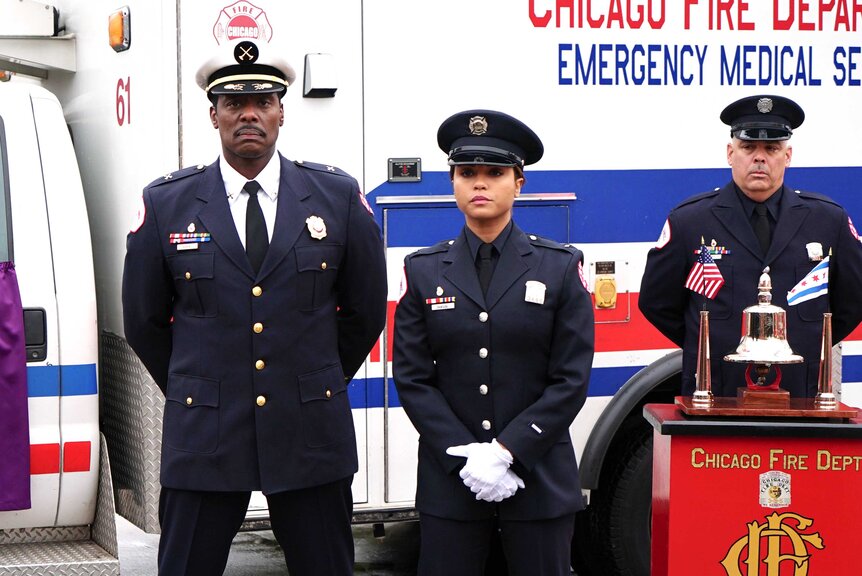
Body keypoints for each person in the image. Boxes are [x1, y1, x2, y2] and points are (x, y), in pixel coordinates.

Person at [121, 39, 387, 576]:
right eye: (234, 103)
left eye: (263, 101)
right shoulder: (167, 202)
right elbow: (144, 322)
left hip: (309, 429)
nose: (249, 114)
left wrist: (315, 376)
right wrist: (200, 387)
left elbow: (365, 311)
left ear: (282, 112)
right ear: (213, 114)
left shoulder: (335, 197)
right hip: (206, 434)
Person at [392, 109, 595, 576]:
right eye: (467, 174)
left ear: (519, 183)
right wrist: (464, 456)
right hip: (452, 485)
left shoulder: (559, 267)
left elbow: (570, 379)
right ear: (453, 183)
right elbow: (413, 378)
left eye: (495, 173)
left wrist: (508, 451)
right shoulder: (423, 271)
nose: (479, 184)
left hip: (538, 479)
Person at [639, 94, 862, 398]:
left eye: (771, 148)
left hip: (800, 392)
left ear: (788, 155)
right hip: (716, 391)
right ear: (730, 153)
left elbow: (853, 300)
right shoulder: (690, 221)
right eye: (748, 147)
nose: (760, 158)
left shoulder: (828, 221)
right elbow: (656, 302)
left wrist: (809, 346)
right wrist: (705, 344)